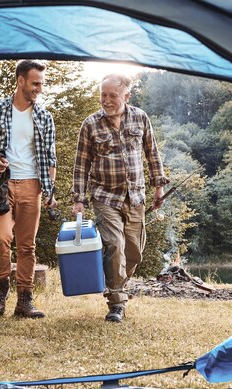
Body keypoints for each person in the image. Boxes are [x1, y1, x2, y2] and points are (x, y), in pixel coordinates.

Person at [72, 74, 168, 323]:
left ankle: (116, 284)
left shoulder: (140, 117)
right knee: (114, 245)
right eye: (103, 94)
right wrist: (78, 199)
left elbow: (152, 152)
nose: (106, 100)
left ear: (126, 96)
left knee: (134, 252)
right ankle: (116, 303)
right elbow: (81, 164)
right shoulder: (90, 124)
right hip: (105, 196)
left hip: (135, 196)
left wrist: (159, 186)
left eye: (112, 95)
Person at [0, 60, 57, 319]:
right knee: (0, 238)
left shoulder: (44, 116)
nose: (39, 89)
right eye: (35, 83)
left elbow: (50, 157)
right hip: (1, 185)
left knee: (27, 246)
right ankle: (1, 290)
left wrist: (50, 190)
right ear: (20, 80)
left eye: (41, 83)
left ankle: (24, 300)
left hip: (33, 185)